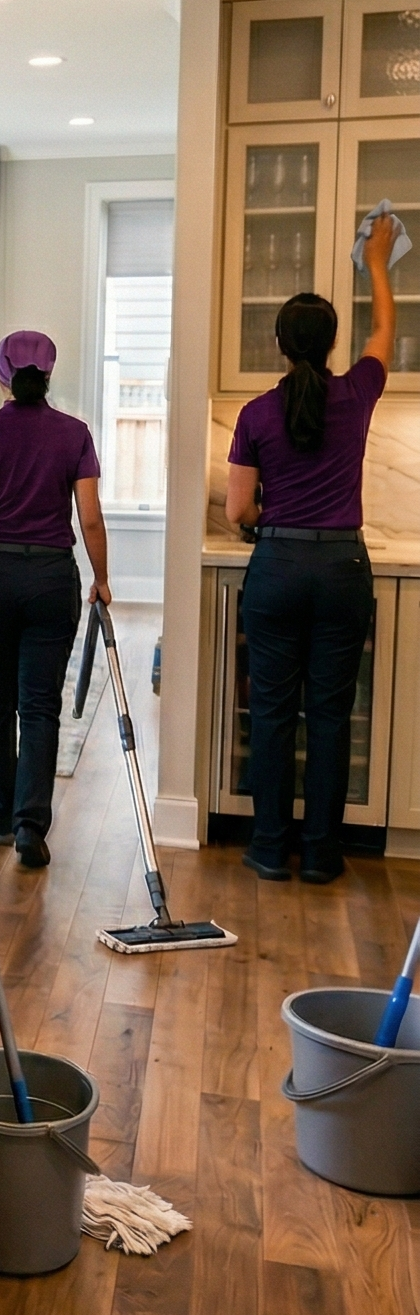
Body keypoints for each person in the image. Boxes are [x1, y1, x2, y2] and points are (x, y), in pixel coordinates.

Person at [224, 212, 397, 884]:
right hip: (342, 569)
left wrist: (272, 518)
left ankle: (269, 848)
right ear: (331, 345)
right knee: (329, 714)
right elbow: (386, 332)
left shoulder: (256, 413)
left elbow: (240, 508)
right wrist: (377, 264)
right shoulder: (356, 393)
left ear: (277, 344)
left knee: (271, 712)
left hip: (278, 568)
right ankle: (322, 855)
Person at [0, 329, 111, 869]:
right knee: (40, 705)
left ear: (1, 373)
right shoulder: (75, 434)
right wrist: (101, 579)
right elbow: (89, 517)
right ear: (49, 373)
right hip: (53, 578)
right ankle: (31, 824)